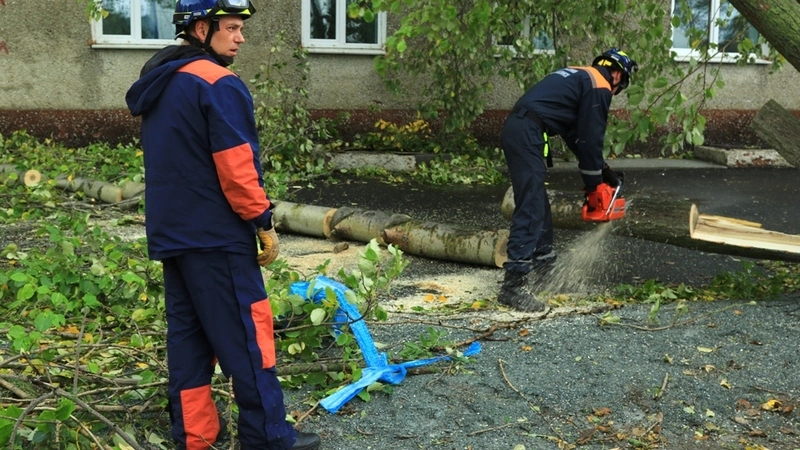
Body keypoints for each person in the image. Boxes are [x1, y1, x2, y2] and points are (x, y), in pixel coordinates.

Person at [125, 1, 320, 449]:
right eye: (231, 28)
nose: (240, 37)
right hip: (218, 238)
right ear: (201, 28)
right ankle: (267, 439)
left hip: (175, 238)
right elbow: (236, 166)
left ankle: (197, 439)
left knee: (189, 349)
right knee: (250, 343)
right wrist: (262, 221)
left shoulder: (160, 82)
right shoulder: (217, 82)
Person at [498, 48, 638, 312]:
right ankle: (512, 287)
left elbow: (577, 136)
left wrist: (603, 171)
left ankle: (545, 270)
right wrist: (595, 186)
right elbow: (590, 138)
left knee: (538, 202)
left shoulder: (580, 75)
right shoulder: (600, 84)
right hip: (527, 131)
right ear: (618, 74)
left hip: (522, 128)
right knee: (530, 206)